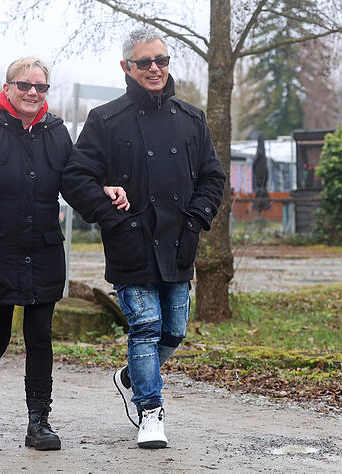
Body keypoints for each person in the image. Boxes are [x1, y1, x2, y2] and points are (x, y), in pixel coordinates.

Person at [0, 56, 128, 451]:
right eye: (24, 85)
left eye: (40, 87)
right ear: (7, 87)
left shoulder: (56, 133)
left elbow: (76, 184)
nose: (32, 93)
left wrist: (104, 195)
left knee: (39, 336)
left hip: (42, 250)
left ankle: (38, 423)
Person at [62, 29, 226, 449]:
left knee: (174, 329)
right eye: (144, 63)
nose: (155, 69)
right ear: (127, 68)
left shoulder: (192, 118)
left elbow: (212, 178)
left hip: (178, 242)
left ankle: (130, 377)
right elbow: (76, 178)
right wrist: (106, 207)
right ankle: (149, 411)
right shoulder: (105, 119)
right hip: (130, 240)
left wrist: (196, 219)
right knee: (146, 327)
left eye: (161, 60)